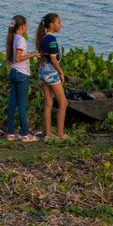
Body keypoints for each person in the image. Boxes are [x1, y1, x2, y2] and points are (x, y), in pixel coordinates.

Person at [5, 15, 38, 142]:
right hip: (22, 73)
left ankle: (11, 133)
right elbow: (18, 58)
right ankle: (25, 134)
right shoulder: (21, 40)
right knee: (22, 104)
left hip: (13, 71)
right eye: (27, 25)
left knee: (12, 103)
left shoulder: (12, 38)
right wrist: (33, 55)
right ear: (23, 26)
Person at [35, 12, 68, 140]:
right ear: (51, 25)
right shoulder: (52, 39)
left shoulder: (44, 38)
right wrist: (61, 72)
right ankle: (60, 134)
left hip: (42, 71)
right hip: (50, 72)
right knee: (63, 103)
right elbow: (54, 60)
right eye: (58, 23)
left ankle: (48, 135)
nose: (60, 25)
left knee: (48, 102)